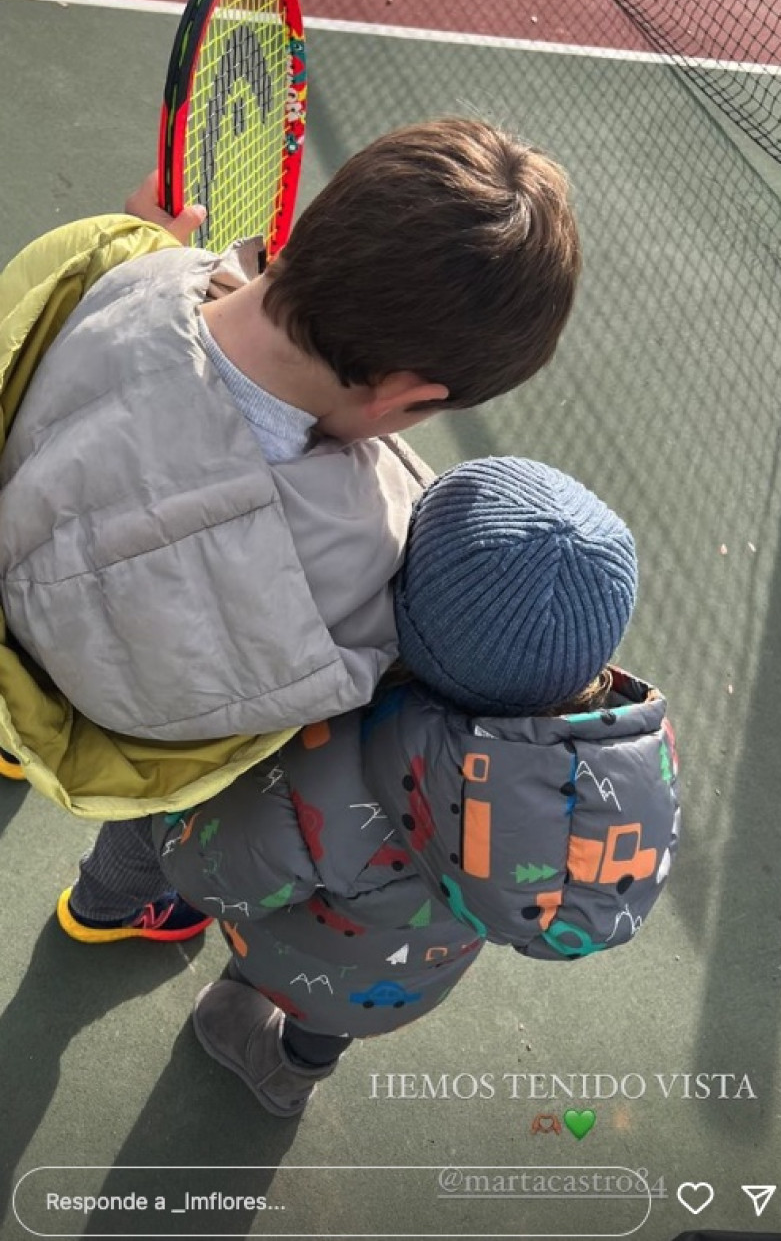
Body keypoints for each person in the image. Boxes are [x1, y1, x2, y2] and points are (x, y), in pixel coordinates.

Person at [0, 118, 580, 934]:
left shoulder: (124, 277)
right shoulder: (367, 549)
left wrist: (150, 243)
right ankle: (108, 907)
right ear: (406, 399)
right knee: (219, 776)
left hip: (18, 620)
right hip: (118, 724)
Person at [150, 457, 680, 1119]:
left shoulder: (334, 761)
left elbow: (209, 870)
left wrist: (171, 820)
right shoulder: (606, 760)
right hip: (409, 973)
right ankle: (293, 1073)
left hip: (304, 957)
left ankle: (254, 1032)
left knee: (283, 986)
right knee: (327, 1024)